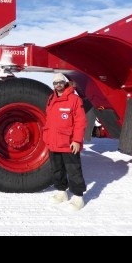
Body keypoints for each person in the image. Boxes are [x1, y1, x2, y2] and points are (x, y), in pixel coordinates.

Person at [43, 73, 87, 211]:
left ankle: (78, 197)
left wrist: (77, 140)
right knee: (57, 169)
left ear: (65, 83)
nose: (58, 85)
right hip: (54, 142)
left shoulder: (74, 99)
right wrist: (47, 138)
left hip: (69, 143)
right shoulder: (51, 99)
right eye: (55, 83)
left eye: (60, 82)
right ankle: (62, 192)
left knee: (73, 170)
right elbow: (49, 121)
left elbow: (80, 122)